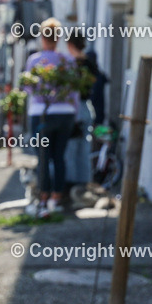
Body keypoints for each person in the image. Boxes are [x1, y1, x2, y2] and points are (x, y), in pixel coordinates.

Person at [23, 18, 77, 218]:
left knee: (43, 157)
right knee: (59, 156)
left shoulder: (35, 60)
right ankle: (57, 197)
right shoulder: (67, 61)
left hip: (42, 113)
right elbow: (74, 91)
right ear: (58, 38)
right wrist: (74, 113)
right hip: (65, 114)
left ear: (42, 38)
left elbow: (28, 88)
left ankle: (44, 198)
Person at [63, 31, 94, 193]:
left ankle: (71, 185)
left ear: (70, 45)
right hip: (88, 107)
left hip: (75, 109)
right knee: (84, 148)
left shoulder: (71, 64)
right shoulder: (90, 63)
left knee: (71, 149)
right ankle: (84, 183)